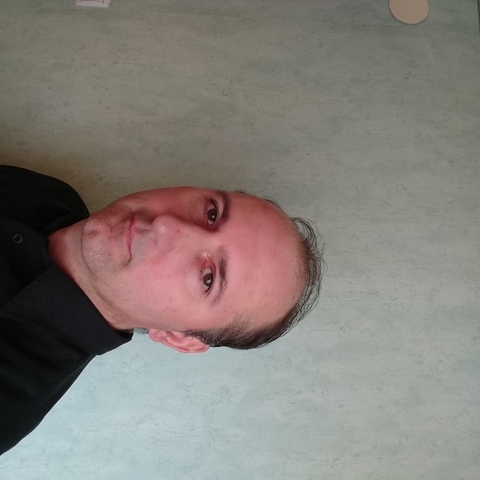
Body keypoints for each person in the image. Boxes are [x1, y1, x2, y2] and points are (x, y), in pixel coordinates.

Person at [0, 164, 323, 455]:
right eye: (212, 213)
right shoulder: (51, 195)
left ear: (179, 338)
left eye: (208, 278)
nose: (166, 226)